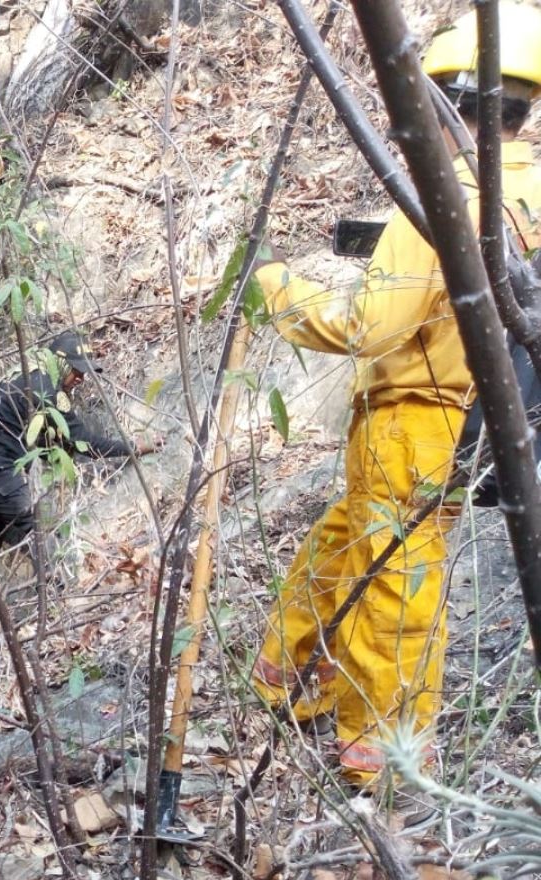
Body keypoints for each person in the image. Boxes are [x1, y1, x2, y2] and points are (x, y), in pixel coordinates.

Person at [249, 3, 541, 781]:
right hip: (476, 417)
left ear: (441, 100)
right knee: (346, 537)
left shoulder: (444, 199)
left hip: (412, 417)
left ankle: (381, 754)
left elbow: (370, 325)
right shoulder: (528, 192)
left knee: (393, 585)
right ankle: (287, 674)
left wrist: (273, 288)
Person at [0, 330, 142, 638]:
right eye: (77, 369)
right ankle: (60, 600)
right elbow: (80, 441)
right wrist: (132, 448)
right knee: (32, 524)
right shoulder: (42, 386)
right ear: (61, 362)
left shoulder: (27, 375)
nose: (80, 377)